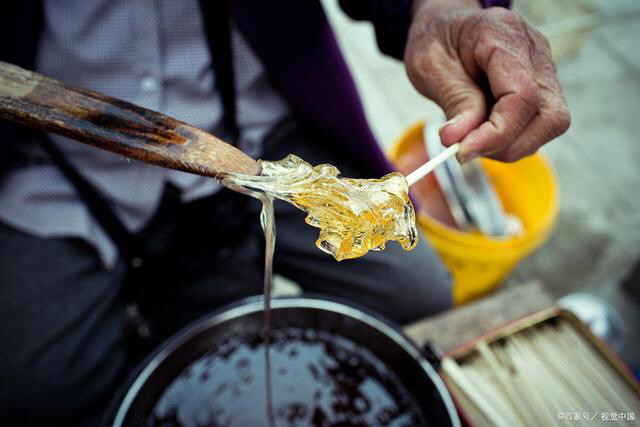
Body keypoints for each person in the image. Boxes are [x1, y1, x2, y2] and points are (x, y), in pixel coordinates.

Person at [0, 0, 569, 424]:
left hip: (262, 137)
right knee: (31, 392)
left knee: (418, 292)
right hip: (57, 162)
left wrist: (441, 8)